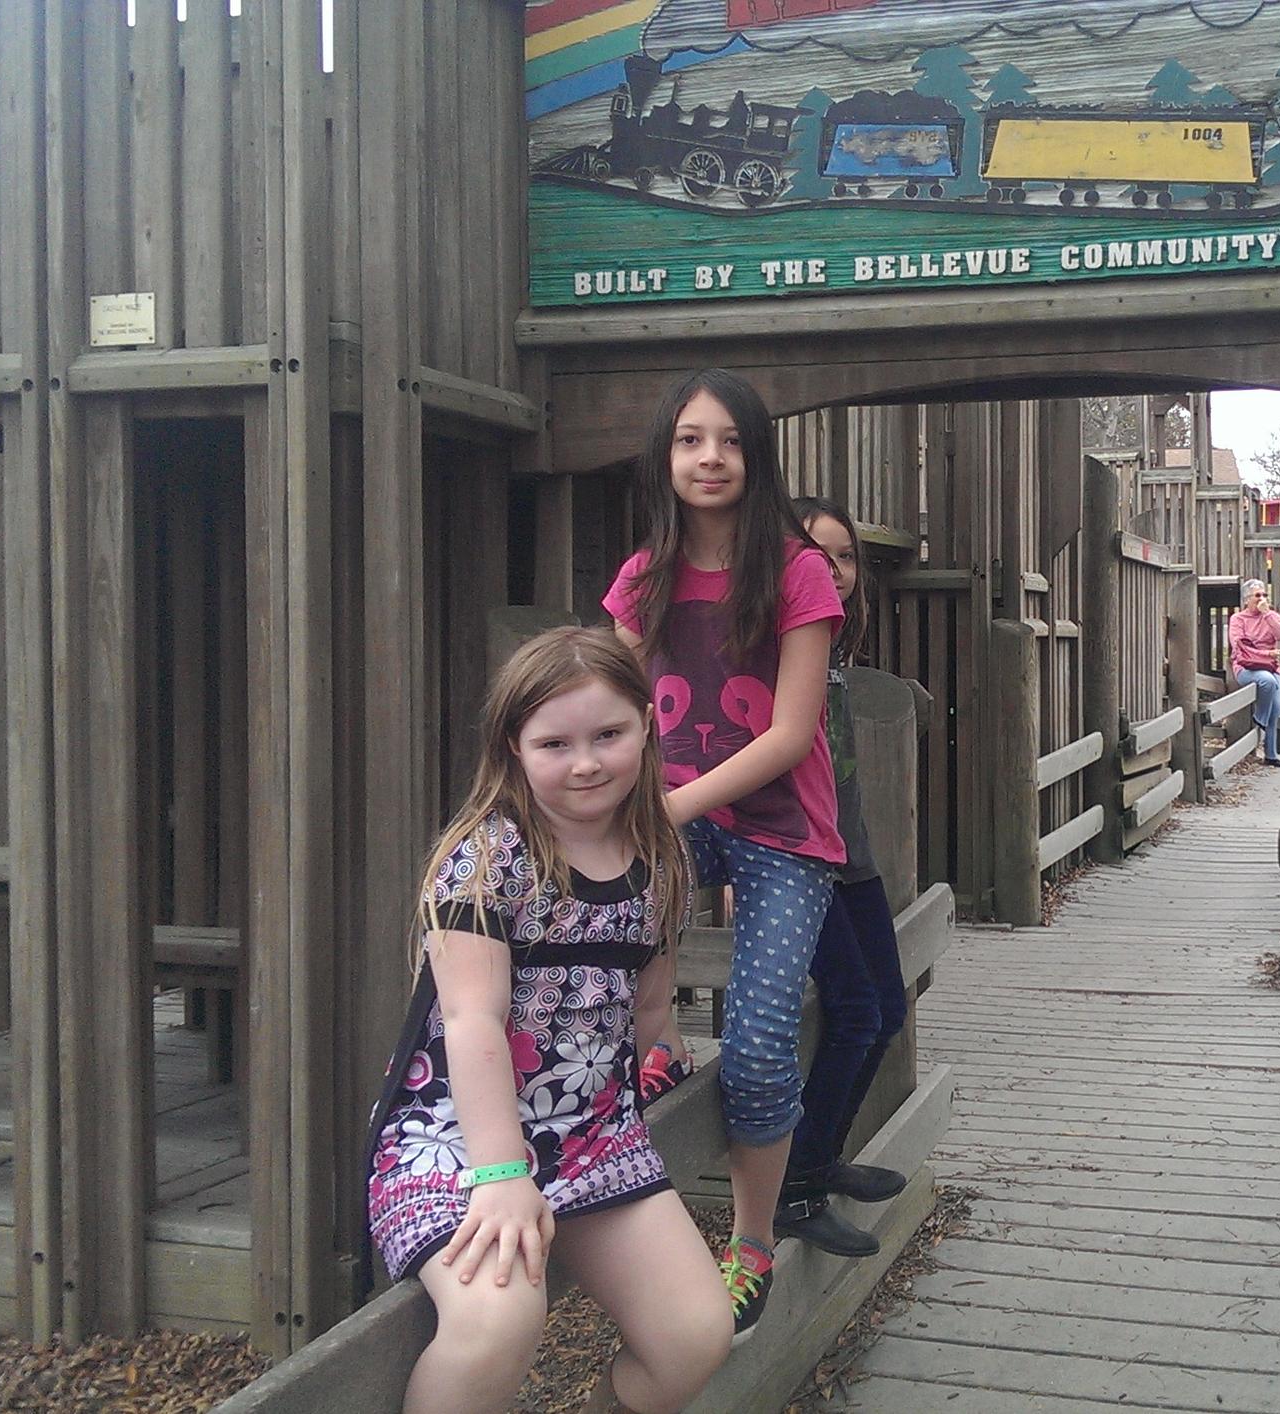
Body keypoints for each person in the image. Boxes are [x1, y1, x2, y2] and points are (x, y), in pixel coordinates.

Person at [364, 627, 731, 1414]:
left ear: (646, 725)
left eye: (608, 734)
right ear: (514, 747)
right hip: (457, 1141)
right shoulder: (487, 858)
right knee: (499, 1318)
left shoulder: (661, 855)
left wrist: (650, 1071)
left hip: (593, 1134)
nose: (587, 761)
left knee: (696, 1332)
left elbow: (651, 1000)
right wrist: (501, 1176)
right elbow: (470, 1020)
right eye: (555, 743)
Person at [603, 369, 846, 1342]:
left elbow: (789, 735)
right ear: (665, 456)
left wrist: (663, 810)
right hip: (682, 809)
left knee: (753, 1046)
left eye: (729, 440)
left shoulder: (796, 570)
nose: (710, 458)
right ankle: (650, 1043)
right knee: (605, 887)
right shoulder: (641, 578)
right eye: (690, 440)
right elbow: (607, 702)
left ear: (756, 455)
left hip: (785, 828)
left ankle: (748, 1244)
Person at [776, 495, 911, 1259]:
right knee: (855, 1011)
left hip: (850, 856)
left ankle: (820, 1157)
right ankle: (796, 1186)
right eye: (815, 554)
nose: (834, 569)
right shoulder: (779, 643)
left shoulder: (831, 650)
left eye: (846, 557)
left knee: (886, 1011)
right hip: (802, 856)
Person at [1228, 577, 1280, 766]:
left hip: (1271, 666)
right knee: (1267, 682)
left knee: (1278, 707)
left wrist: (1267, 614)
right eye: (1257, 595)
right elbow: (1239, 647)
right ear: (1247, 599)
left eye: (1264, 595)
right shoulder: (1238, 619)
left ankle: (1271, 754)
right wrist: (1266, 653)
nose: (1261, 598)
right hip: (1247, 666)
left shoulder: (1272, 616)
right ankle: (1259, 718)